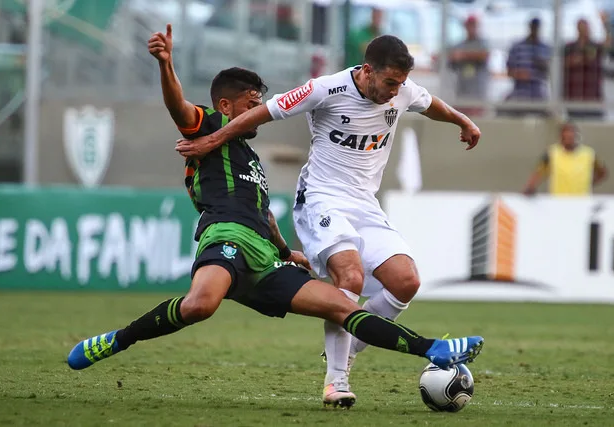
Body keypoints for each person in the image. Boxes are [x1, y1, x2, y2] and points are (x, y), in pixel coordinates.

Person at [66, 26, 485, 408]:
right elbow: (183, 110)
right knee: (202, 305)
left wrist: (288, 251)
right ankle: (116, 341)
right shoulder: (212, 128)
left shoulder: (253, 162)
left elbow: (263, 214)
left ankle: (431, 348)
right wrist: (168, 66)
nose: (258, 104)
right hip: (232, 236)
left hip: (270, 255)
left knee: (350, 303)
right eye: (251, 99)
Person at [523, 121, 608, 196]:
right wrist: (530, 187)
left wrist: (589, 183)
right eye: (566, 135)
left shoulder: (589, 154)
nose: (569, 137)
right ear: (561, 137)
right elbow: (538, 173)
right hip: (559, 202)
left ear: (576, 136)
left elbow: (602, 172)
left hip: (582, 202)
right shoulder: (552, 153)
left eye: (571, 134)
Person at [502, 18, 552, 116]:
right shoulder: (517, 47)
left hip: (539, 94)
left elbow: (550, 71)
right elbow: (509, 71)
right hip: (520, 93)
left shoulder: (546, 48)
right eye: (533, 26)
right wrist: (520, 74)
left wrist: (541, 66)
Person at [563, 19, 610, 119]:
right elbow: (566, 63)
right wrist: (583, 59)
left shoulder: (595, 46)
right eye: (582, 28)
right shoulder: (569, 47)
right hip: (574, 97)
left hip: (593, 97)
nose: (585, 31)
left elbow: (608, 43)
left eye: (586, 28)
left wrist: (606, 24)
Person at [447, 15, 490, 117]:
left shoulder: (482, 43)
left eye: (473, 25)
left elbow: (483, 55)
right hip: (462, 92)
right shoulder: (460, 44)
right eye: (469, 25)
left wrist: (463, 55)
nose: (471, 28)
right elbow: (450, 57)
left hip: (477, 93)